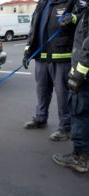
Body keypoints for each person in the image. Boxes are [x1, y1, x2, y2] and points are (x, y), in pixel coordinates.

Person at [22, 0, 78, 141]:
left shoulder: (71, 1)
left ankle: (65, 127)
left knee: (63, 94)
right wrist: (28, 49)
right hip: (41, 56)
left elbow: (81, 20)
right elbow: (33, 28)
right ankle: (40, 118)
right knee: (42, 90)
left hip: (61, 56)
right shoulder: (42, 3)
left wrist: (73, 19)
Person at [53, 1, 89, 173]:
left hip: (84, 76)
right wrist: (74, 18)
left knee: (80, 112)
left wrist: (78, 75)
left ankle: (80, 158)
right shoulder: (85, 11)